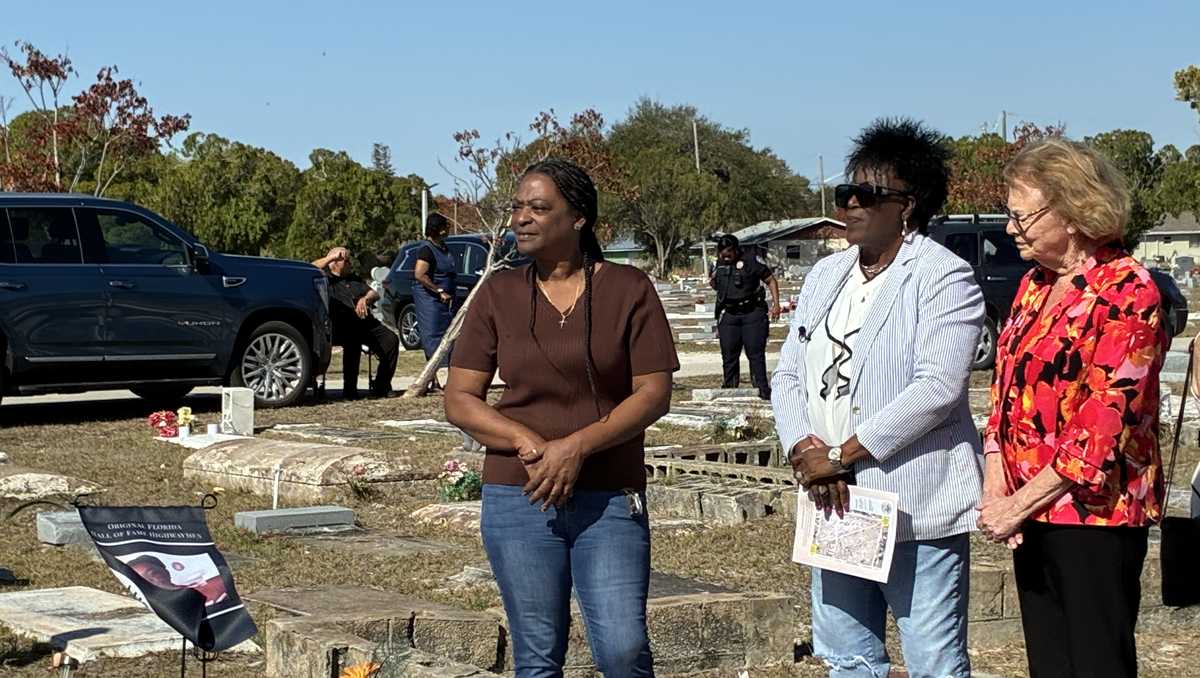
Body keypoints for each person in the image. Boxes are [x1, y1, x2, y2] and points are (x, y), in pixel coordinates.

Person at [444, 158, 677, 677]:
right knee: (538, 654)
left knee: (622, 648)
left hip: (608, 495)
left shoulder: (628, 289)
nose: (521, 218)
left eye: (538, 208)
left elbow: (654, 393)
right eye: (517, 207)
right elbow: (460, 398)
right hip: (520, 492)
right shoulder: (498, 293)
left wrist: (576, 447)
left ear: (578, 218)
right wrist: (525, 441)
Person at [771, 118, 984, 678]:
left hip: (914, 500)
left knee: (934, 661)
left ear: (906, 206)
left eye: (867, 195)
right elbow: (789, 372)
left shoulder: (943, 277)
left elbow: (936, 388)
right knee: (847, 657)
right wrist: (804, 448)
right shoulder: (826, 275)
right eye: (846, 192)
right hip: (835, 497)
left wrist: (842, 453)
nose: (850, 205)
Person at [977, 138, 1166, 678]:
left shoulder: (1129, 291)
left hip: (1096, 517)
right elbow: (1004, 394)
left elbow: (1100, 429)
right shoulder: (1035, 285)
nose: (1010, 228)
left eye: (1022, 216)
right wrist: (997, 485)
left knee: (1096, 663)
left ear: (1073, 212)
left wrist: (1016, 505)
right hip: (1030, 510)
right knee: (1049, 664)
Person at [312, 246, 399, 399]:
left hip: (364, 322)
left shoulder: (354, 279)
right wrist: (331, 258)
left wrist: (365, 299)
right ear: (335, 263)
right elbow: (310, 268)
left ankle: (381, 385)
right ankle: (350, 390)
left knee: (391, 340)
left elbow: (374, 293)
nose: (350, 264)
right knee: (353, 340)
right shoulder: (325, 278)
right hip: (340, 325)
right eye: (346, 261)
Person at [709, 234, 781, 400]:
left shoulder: (751, 261)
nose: (725, 256)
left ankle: (761, 388)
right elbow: (716, 284)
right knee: (729, 354)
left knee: (755, 353)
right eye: (722, 253)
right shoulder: (718, 264)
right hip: (729, 314)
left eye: (729, 253)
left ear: (736, 250)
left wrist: (776, 305)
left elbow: (771, 280)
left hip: (752, 312)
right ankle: (729, 388)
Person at [412, 213, 457, 390]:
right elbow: (420, 274)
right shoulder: (426, 250)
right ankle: (434, 378)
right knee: (433, 337)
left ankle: (441, 379)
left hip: (446, 300)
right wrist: (438, 291)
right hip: (430, 300)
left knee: (448, 336)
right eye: (446, 226)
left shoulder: (443, 247)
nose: (448, 229)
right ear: (438, 229)